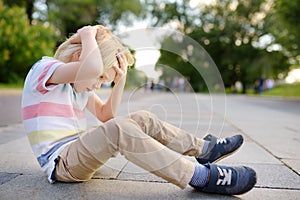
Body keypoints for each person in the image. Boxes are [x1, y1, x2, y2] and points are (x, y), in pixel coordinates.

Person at [22, 25, 256, 196]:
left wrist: (120, 80)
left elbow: (106, 115)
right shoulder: (45, 70)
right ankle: (201, 176)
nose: (97, 84)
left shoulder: (78, 87)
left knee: (142, 119)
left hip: (77, 151)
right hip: (62, 163)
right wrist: (87, 33)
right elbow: (92, 71)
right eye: (101, 77)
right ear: (78, 57)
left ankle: (205, 149)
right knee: (119, 130)